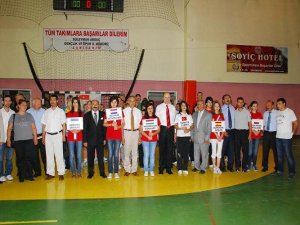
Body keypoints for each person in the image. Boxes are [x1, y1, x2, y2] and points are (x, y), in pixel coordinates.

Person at [7, 99, 38, 182]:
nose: (25, 106)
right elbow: (9, 129)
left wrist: (35, 138)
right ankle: (21, 176)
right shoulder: (13, 116)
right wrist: (9, 140)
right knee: (20, 159)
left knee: (28, 158)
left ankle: (29, 175)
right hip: (18, 141)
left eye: (26, 105)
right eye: (23, 104)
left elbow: (33, 127)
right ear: (18, 106)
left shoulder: (29, 115)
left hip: (29, 140)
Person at [41, 94, 67, 180]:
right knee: (49, 154)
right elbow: (44, 125)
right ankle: (50, 173)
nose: (52, 101)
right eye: (51, 100)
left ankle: (61, 173)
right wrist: (43, 136)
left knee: (59, 154)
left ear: (57, 101)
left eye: (54, 100)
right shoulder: (46, 111)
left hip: (58, 135)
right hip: (48, 135)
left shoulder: (61, 111)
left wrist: (63, 136)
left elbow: (64, 125)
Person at [275, 98, 298, 179]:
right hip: (278, 137)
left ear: (284, 104)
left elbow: (295, 123)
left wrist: (292, 133)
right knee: (279, 156)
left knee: (289, 155)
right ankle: (280, 171)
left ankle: (292, 172)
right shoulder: (277, 112)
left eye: (279, 103)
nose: (278, 105)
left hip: (287, 138)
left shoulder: (290, 111)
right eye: (277, 104)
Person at [83, 100, 107, 179]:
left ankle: (102, 172)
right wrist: (85, 140)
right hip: (90, 140)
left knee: (101, 157)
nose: (95, 105)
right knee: (90, 157)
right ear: (91, 105)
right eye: (93, 104)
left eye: (96, 104)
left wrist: (104, 138)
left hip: (100, 140)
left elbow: (104, 128)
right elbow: (85, 129)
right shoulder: (86, 115)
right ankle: (90, 172)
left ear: (99, 105)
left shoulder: (103, 114)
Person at [104, 96, 124, 179]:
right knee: (110, 154)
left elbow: (123, 124)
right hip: (109, 136)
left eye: (115, 102)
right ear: (110, 103)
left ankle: (116, 172)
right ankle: (110, 172)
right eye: (112, 102)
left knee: (116, 154)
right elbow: (104, 124)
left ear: (117, 103)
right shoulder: (107, 112)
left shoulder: (120, 112)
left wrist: (118, 127)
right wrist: (111, 124)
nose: (113, 104)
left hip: (117, 136)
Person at [155, 92, 176, 174]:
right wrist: (157, 133)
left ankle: (168, 168)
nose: (167, 99)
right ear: (163, 98)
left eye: (168, 97)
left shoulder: (173, 108)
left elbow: (174, 121)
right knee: (162, 149)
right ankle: (161, 167)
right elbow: (157, 121)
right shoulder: (159, 107)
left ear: (170, 98)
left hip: (171, 128)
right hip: (162, 128)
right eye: (165, 97)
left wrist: (174, 133)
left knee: (170, 149)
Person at [122, 96, 142, 176]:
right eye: (131, 101)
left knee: (135, 152)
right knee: (126, 152)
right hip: (127, 132)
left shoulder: (138, 111)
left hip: (136, 132)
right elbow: (122, 125)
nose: (132, 102)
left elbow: (140, 125)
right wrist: (122, 136)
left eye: (134, 101)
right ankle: (127, 169)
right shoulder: (124, 111)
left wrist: (140, 137)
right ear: (128, 102)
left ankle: (134, 170)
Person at [140, 102, 161, 177]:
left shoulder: (156, 118)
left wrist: (152, 134)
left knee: (152, 155)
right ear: (146, 109)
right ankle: (146, 170)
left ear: (153, 109)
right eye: (148, 108)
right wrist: (147, 136)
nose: (150, 110)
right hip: (145, 139)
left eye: (151, 108)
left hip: (153, 139)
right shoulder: (143, 118)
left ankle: (151, 170)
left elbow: (159, 130)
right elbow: (141, 130)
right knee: (146, 155)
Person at [192, 100, 212, 174]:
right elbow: (193, 126)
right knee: (196, 153)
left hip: (204, 138)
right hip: (195, 137)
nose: (199, 106)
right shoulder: (194, 114)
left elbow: (209, 127)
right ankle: (197, 167)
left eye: (201, 104)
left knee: (204, 154)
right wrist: (192, 136)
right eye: (198, 104)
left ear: (204, 105)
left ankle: (203, 168)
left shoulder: (208, 115)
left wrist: (207, 138)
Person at [27, 97, 46, 176]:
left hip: (43, 135)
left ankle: (47, 171)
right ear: (33, 104)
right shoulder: (28, 112)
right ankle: (37, 172)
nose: (39, 105)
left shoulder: (44, 111)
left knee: (44, 154)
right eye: (37, 103)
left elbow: (46, 124)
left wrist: (44, 136)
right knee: (34, 155)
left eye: (40, 103)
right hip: (32, 136)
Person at [66, 97, 84, 178]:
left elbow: (83, 125)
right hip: (70, 136)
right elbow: (67, 125)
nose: (75, 104)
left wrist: (78, 130)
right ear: (72, 104)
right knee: (71, 155)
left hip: (79, 136)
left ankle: (79, 172)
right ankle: (73, 172)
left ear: (78, 103)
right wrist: (72, 130)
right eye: (74, 102)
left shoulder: (82, 114)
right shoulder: (68, 113)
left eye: (76, 102)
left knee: (79, 155)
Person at [175, 101, 193, 175]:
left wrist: (188, 129)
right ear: (180, 107)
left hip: (187, 136)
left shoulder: (189, 116)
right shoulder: (177, 116)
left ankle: (185, 167)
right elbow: (175, 125)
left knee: (186, 153)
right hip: (179, 136)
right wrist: (181, 128)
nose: (184, 107)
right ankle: (179, 167)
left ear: (187, 107)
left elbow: (192, 125)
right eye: (182, 105)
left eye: (185, 105)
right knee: (179, 153)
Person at [234, 97, 252, 172]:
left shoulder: (247, 112)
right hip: (236, 132)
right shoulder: (234, 112)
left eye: (242, 102)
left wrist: (250, 134)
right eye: (239, 102)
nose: (240, 103)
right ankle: (237, 166)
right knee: (237, 150)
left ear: (243, 103)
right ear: (237, 103)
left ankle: (244, 166)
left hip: (245, 133)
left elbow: (250, 123)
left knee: (245, 151)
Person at [0, 95, 15, 182]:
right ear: (2, 102)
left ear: (11, 102)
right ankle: (1, 174)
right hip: (1, 139)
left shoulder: (13, 113)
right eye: (5, 101)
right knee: (0, 158)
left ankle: (8, 173)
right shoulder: (0, 112)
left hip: (10, 139)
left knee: (9, 158)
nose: (7, 102)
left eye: (9, 101)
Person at [261, 100, 278, 172]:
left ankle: (277, 166)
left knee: (275, 151)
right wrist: (262, 131)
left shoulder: (277, 113)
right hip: (266, 133)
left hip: (274, 133)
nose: (267, 106)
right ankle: (265, 166)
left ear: (272, 105)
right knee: (265, 151)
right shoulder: (265, 113)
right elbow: (263, 124)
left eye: (269, 104)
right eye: (267, 105)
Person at [220, 94, 235, 172]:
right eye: (225, 98)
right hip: (224, 131)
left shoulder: (233, 108)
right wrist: (223, 130)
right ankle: (222, 167)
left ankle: (230, 166)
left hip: (232, 131)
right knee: (222, 150)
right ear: (223, 100)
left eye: (229, 98)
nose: (227, 99)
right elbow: (219, 121)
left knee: (231, 150)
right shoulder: (221, 109)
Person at [247, 101, 263, 171]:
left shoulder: (259, 114)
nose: (255, 107)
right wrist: (253, 131)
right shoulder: (249, 114)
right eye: (254, 106)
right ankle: (248, 164)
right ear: (251, 107)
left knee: (255, 152)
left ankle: (254, 164)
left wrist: (258, 131)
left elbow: (261, 125)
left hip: (257, 136)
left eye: (256, 106)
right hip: (250, 135)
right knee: (250, 151)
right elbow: (248, 125)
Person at [210, 101, 225, 174]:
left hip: (221, 137)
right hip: (213, 136)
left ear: (219, 107)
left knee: (219, 152)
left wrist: (221, 136)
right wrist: (217, 135)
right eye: (215, 106)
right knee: (214, 152)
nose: (216, 107)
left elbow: (223, 127)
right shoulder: (211, 116)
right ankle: (214, 167)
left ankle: (218, 167)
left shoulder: (222, 116)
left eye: (218, 106)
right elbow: (212, 127)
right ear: (213, 107)